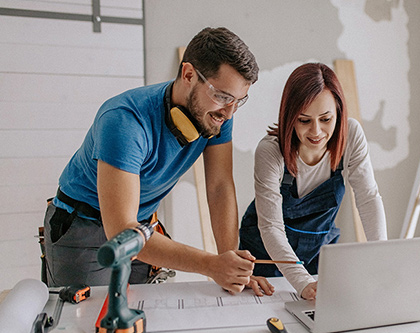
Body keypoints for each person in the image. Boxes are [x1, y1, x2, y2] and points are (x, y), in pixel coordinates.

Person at [42, 27, 273, 296]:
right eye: (222, 96)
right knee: (88, 326)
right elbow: (120, 230)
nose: (230, 111)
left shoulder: (219, 115)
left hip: (140, 227)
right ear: (188, 74)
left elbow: (220, 186)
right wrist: (211, 265)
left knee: (142, 314)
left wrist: (231, 263)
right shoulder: (125, 121)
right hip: (84, 228)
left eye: (238, 101)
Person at [239, 63, 387, 300]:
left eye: (326, 119)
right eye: (304, 121)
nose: (316, 131)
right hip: (267, 254)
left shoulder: (351, 136)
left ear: (338, 112)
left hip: (318, 250)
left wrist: (382, 257)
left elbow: (368, 199)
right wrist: (301, 281)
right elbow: (271, 227)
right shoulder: (270, 151)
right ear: (290, 118)